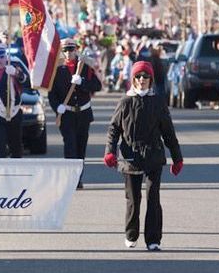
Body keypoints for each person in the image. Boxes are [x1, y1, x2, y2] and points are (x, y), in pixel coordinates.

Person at [103, 61, 184, 251]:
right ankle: (131, 235)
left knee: (153, 198)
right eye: (138, 77)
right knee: (133, 199)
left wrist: (177, 158)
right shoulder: (125, 102)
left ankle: (153, 239)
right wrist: (109, 152)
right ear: (133, 79)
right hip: (130, 157)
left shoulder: (157, 102)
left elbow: (169, 133)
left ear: (151, 80)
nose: (142, 80)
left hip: (153, 157)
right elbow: (114, 129)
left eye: (145, 77)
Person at [48, 37, 102, 189]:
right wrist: (56, 107)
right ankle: (71, 180)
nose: (68, 53)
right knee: (70, 147)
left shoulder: (85, 66)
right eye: (65, 50)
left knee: (80, 149)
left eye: (71, 49)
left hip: (83, 114)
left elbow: (97, 86)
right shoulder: (57, 70)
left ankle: (78, 178)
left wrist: (83, 82)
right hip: (67, 114)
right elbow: (52, 94)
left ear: (76, 49)